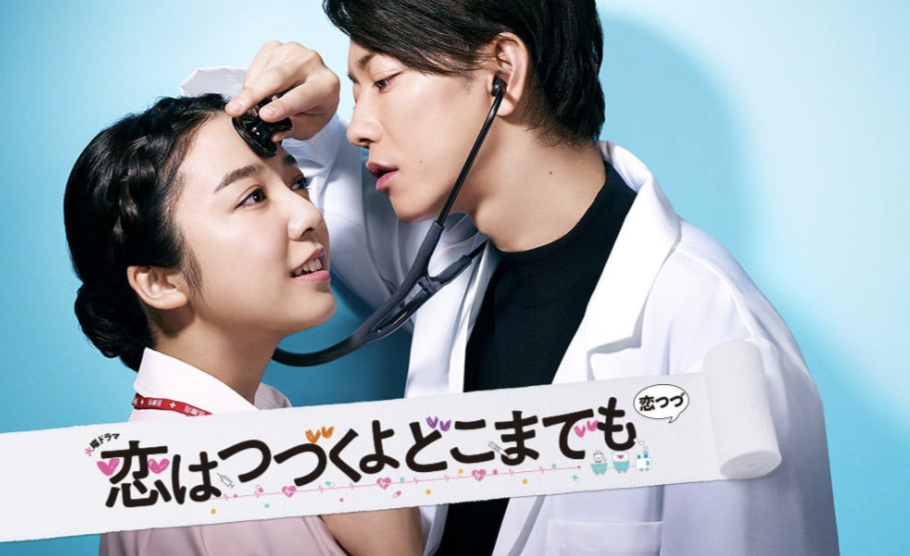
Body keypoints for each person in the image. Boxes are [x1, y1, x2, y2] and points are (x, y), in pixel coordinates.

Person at [181, 1, 841, 554]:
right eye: (357, 94)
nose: (359, 128)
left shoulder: (713, 333)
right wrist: (295, 109)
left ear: (502, 71)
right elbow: (270, 209)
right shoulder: (443, 260)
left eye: (382, 81)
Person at [64, 94, 422, 556]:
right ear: (159, 282)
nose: (309, 215)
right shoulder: (212, 492)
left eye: (296, 182)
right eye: (253, 197)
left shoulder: (233, 438)